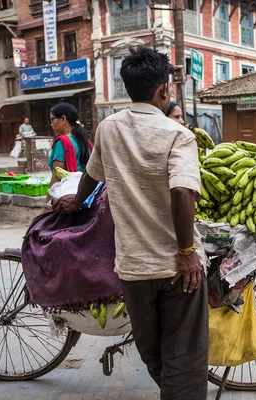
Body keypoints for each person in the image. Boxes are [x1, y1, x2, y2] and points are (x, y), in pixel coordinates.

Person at [52, 47, 208, 399]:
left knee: (153, 352)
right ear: (164, 91)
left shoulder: (108, 128)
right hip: (176, 267)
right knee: (185, 355)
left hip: (134, 268)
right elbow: (183, 193)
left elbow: (92, 175)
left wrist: (76, 201)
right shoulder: (177, 134)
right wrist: (186, 251)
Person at [46, 103, 93, 202]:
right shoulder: (86, 142)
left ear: (63, 119)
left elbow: (56, 176)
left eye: (52, 119)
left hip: (66, 198)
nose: (51, 124)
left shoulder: (62, 142)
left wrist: (47, 205)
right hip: (85, 196)